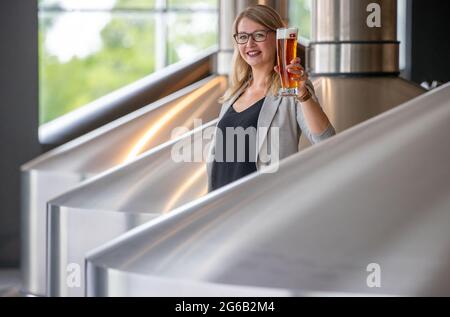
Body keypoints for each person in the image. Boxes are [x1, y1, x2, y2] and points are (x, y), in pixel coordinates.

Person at [206, 5, 335, 192]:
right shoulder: (234, 93)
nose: (249, 44)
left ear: (277, 38)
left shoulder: (293, 90)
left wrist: (304, 95)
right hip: (221, 205)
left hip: (260, 204)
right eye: (243, 36)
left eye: (258, 35)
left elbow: (326, 140)